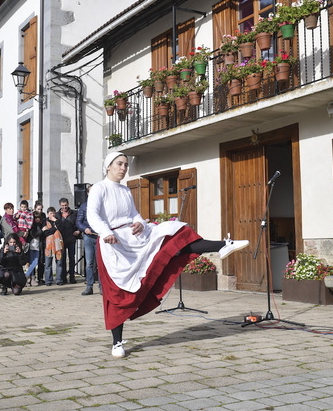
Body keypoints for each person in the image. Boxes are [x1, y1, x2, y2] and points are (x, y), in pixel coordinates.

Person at [87, 152, 249, 358]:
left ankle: (223, 245)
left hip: (133, 237)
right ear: (108, 166)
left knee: (174, 235)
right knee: (116, 294)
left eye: (126, 165)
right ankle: (117, 342)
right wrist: (106, 232)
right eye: (119, 164)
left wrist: (140, 222)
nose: (123, 168)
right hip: (114, 245)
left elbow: (134, 214)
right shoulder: (99, 188)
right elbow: (93, 215)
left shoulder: (126, 191)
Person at [76, 186, 100, 296]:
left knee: (101, 263)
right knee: (89, 263)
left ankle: (102, 287)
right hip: (89, 237)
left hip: (100, 237)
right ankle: (89, 286)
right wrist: (84, 229)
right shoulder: (84, 206)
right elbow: (78, 222)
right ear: (88, 193)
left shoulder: (102, 205)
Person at [57, 198, 79, 284]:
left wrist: (78, 231)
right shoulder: (57, 215)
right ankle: (63, 277)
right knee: (62, 259)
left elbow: (78, 223)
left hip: (71, 239)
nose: (64, 207)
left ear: (68, 204)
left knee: (72, 259)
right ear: (60, 205)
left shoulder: (74, 213)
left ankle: (72, 277)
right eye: (62, 205)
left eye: (66, 205)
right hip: (61, 240)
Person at [43, 207, 64, 286]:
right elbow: (46, 233)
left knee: (59, 263)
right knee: (48, 263)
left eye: (54, 213)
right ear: (48, 214)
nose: (52, 215)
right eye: (51, 213)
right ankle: (48, 280)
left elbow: (62, 228)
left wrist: (56, 222)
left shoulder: (58, 221)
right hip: (48, 245)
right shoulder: (45, 222)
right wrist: (55, 228)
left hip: (58, 244)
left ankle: (59, 279)